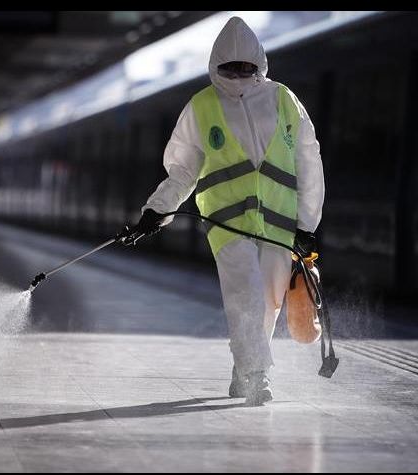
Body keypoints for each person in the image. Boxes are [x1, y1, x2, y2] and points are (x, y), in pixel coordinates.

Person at [124, 16, 325, 405]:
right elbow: (182, 171)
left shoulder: (283, 99)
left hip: (279, 225)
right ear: (216, 66)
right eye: (229, 68)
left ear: (259, 65)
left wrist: (307, 222)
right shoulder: (201, 107)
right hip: (227, 223)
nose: (237, 74)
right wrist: (156, 210)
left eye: (245, 67)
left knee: (269, 300)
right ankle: (255, 374)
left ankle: (245, 365)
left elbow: (308, 160)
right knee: (244, 294)